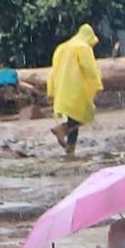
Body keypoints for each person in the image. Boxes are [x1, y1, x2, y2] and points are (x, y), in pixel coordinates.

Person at [50, 24, 103, 157]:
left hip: (62, 88)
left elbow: (53, 71)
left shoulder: (62, 47)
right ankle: (62, 129)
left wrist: (51, 90)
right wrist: (97, 85)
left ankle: (70, 149)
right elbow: (90, 69)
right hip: (76, 88)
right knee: (87, 114)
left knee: (74, 117)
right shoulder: (83, 47)